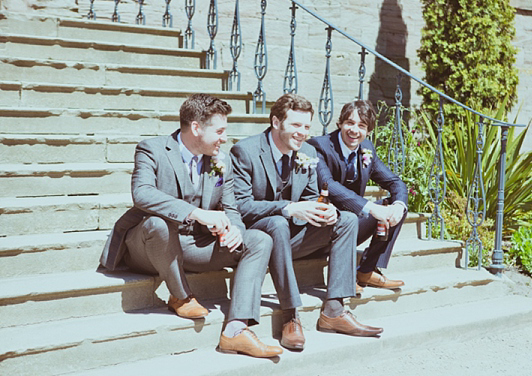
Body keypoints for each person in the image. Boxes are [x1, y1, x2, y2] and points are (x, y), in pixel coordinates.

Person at [99, 93, 282, 358]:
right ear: (196, 127)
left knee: (259, 239)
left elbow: (231, 209)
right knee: (157, 224)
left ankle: (236, 330)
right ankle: (180, 296)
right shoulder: (152, 148)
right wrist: (197, 213)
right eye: (219, 131)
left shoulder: (222, 160)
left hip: (193, 246)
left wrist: (235, 231)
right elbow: (142, 194)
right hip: (150, 247)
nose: (224, 138)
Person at [230, 93, 383, 352]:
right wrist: (289, 208)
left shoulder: (308, 152)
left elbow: (313, 196)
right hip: (260, 238)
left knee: (346, 219)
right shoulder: (245, 151)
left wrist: (326, 211)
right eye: (296, 125)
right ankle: (290, 314)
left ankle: (334, 309)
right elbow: (241, 207)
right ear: (276, 122)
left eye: (306, 127)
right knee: (278, 223)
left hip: (295, 238)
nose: (302, 133)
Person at [308, 99, 408, 292]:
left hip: (353, 224)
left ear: (368, 130)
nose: (354, 130)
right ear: (340, 124)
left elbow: (395, 182)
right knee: (364, 214)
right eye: (350, 123)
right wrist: (371, 208)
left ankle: (367, 270)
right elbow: (329, 185)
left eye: (361, 126)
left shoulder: (366, 149)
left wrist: (398, 206)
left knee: (395, 205)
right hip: (322, 226)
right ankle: (344, 276)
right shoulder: (319, 147)